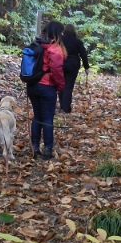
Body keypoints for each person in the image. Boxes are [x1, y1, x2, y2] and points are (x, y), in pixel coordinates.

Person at [27, 20, 66, 159]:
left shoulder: (37, 44)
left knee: (37, 117)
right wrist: (61, 86)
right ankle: (48, 149)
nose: (63, 34)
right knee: (48, 118)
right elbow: (57, 70)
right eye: (61, 31)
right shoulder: (55, 49)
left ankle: (35, 147)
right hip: (47, 87)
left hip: (33, 86)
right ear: (57, 33)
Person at [59, 24, 89, 113]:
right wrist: (86, 67)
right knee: (68, 86)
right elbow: (83, 54)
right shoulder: (77, 41)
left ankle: (62, 104)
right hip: (73, 65)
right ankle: (66, 108)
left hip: (61, 63)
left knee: (61, 85)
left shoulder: (60, 40)